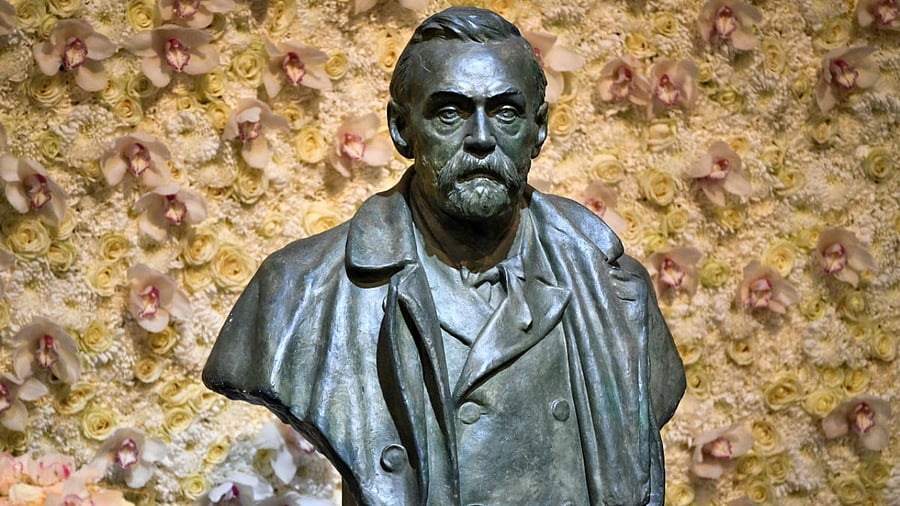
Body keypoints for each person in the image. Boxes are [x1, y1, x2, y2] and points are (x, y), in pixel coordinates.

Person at [203, 7, 685, 506]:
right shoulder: (300, 291)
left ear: (538, 129)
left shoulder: (612, 289)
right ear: (401, 128)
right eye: (449, 113)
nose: (480, 138)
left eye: (505, 112)